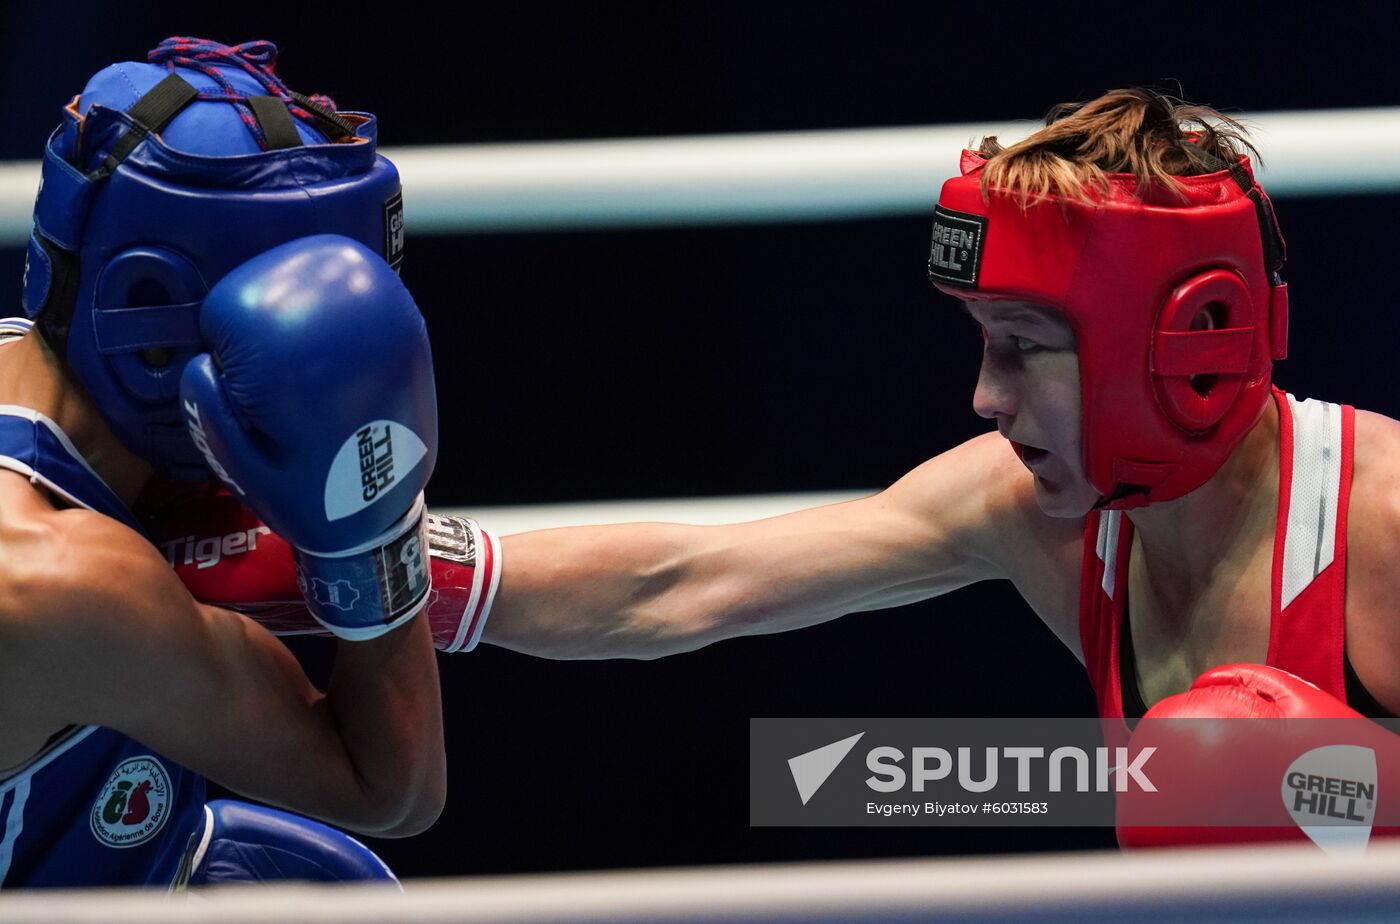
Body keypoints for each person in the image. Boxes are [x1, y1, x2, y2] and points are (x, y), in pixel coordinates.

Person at [168, 89, 1400, 846]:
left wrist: (1360, 806)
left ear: (1173, 345)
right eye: (983, 346)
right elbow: (682, 579)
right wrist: (365, 561)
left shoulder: (1382, 525)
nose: (983, 398)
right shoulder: (1036, 511)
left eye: (1023, 350)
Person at [0, 38, 444, 887]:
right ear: (147, 313)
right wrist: (369, 514)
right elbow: (389, 788)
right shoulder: (66, 582)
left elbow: (653, 584)